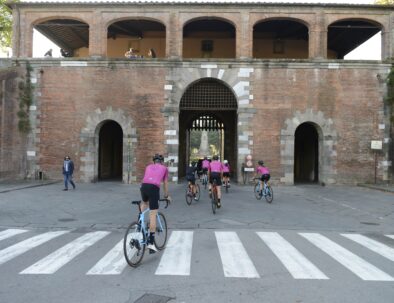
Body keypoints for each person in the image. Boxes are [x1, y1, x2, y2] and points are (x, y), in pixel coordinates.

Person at [140, 154, 171, 253]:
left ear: (154, 161)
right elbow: (165, 184)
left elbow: (146, 178)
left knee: (145, 203)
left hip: (143, 187)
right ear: (161, 162)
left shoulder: (148, 166)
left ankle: (140, 222)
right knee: (153, 214)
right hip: (153, 188)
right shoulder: (165, 168)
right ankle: (151, 243)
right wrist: (167, 196)